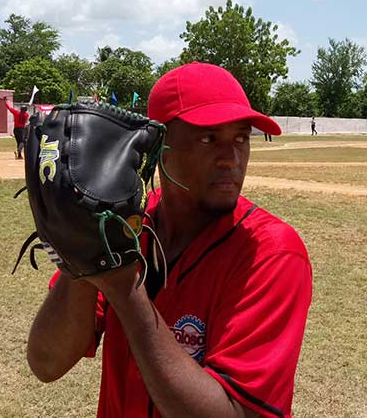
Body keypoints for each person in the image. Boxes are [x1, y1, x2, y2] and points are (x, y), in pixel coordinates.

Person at [26, 62, 312, 418]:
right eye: (208, 138)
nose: (231, 159)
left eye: (241, 137)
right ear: (157, 145)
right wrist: (79, 254)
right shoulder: (122, 227)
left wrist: (124, 287)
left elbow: (234, 413)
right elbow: (46, 363)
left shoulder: (271, 253)